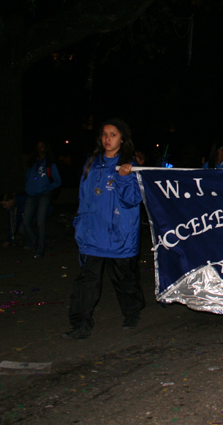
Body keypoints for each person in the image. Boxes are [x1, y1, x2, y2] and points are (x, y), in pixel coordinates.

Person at [63, 119, 146, 340]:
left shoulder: (129, 165)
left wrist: (124, 179)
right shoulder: (92, 163)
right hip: (92, 234)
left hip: (119, 235)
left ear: (122, 139)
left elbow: (132, 200)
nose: (107, 139)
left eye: (113, 134)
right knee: (87, 281)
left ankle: (132, 312)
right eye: (104, 134)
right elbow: (84, 196)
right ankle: (81, 323)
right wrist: (80, 223)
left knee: (124, 279)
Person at [23, 141, 61, 259]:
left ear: (46, 148)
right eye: (38, 146)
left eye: (42, 146)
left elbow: (58, 180)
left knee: (40, 222)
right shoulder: (32, 163)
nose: (40, 149)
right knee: (26, 221)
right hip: (31, 195)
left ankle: (39, 250)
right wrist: (28, 187)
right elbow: (27, 177)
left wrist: (46, 188)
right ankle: (38, 244)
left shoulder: (50, 164)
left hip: (44, 195)